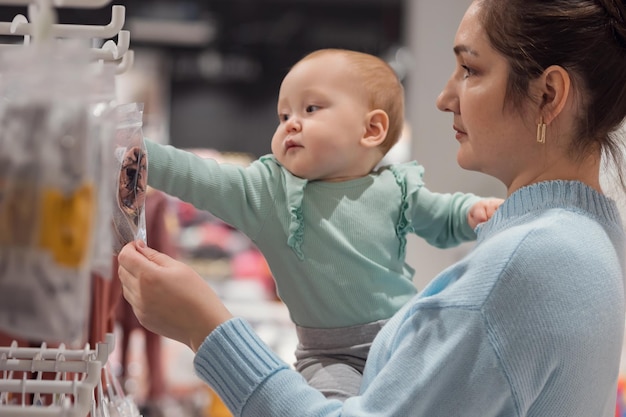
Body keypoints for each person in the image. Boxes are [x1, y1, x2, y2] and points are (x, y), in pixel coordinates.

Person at [118, 0, 626, 413]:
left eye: (470, 69)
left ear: (550, 94)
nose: (445, 97)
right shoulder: (588, 241)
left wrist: (206, 328)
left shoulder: (530, 263)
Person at [123, 48, 502, 400]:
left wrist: (473, 212)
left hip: (406, 335)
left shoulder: (397, 187)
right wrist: (136, 152)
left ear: (372, 130)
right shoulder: (269, 192)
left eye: (311, 108)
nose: (291, 124)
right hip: (329, 357)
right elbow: (200, 177)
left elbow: (442, 216)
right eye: (284, 116)